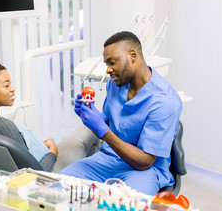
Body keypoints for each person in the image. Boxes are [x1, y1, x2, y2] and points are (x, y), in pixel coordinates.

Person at [59, 31, 182, 195]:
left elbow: (144, 162)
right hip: (106, 160)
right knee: (58, 188)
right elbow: (107, 124)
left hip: (143, 171)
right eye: (106, 64)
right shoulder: (115, 85)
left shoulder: (165, 101)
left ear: (132, 56)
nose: (108, 70)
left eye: (112, 62)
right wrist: (89, 116)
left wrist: (101, 129)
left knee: (122, 204)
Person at [0, 56, 100, 172]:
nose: (12, 88)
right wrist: (52, 152)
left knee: (90, 145)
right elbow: (37, 171)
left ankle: (85, 173)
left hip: (36, 161)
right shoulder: (0, 126)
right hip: (52, 172)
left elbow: (20, 156)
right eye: (6, 85)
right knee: (91, 127)